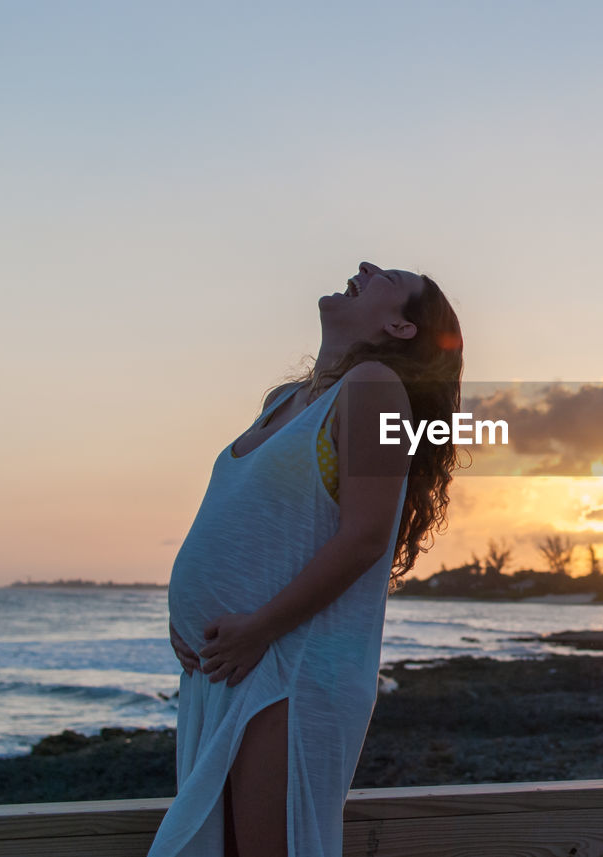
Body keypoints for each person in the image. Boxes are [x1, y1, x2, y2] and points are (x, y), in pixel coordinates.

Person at [148, 262, 464, 857]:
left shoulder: (374, 387)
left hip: (290, 667)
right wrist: (185, 614)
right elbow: (241, 514)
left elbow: (367, 535)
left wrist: (257, 628)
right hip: (229, 665)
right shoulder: (284, 400)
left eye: (388, 276)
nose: (364, 266)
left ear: (401, 328)